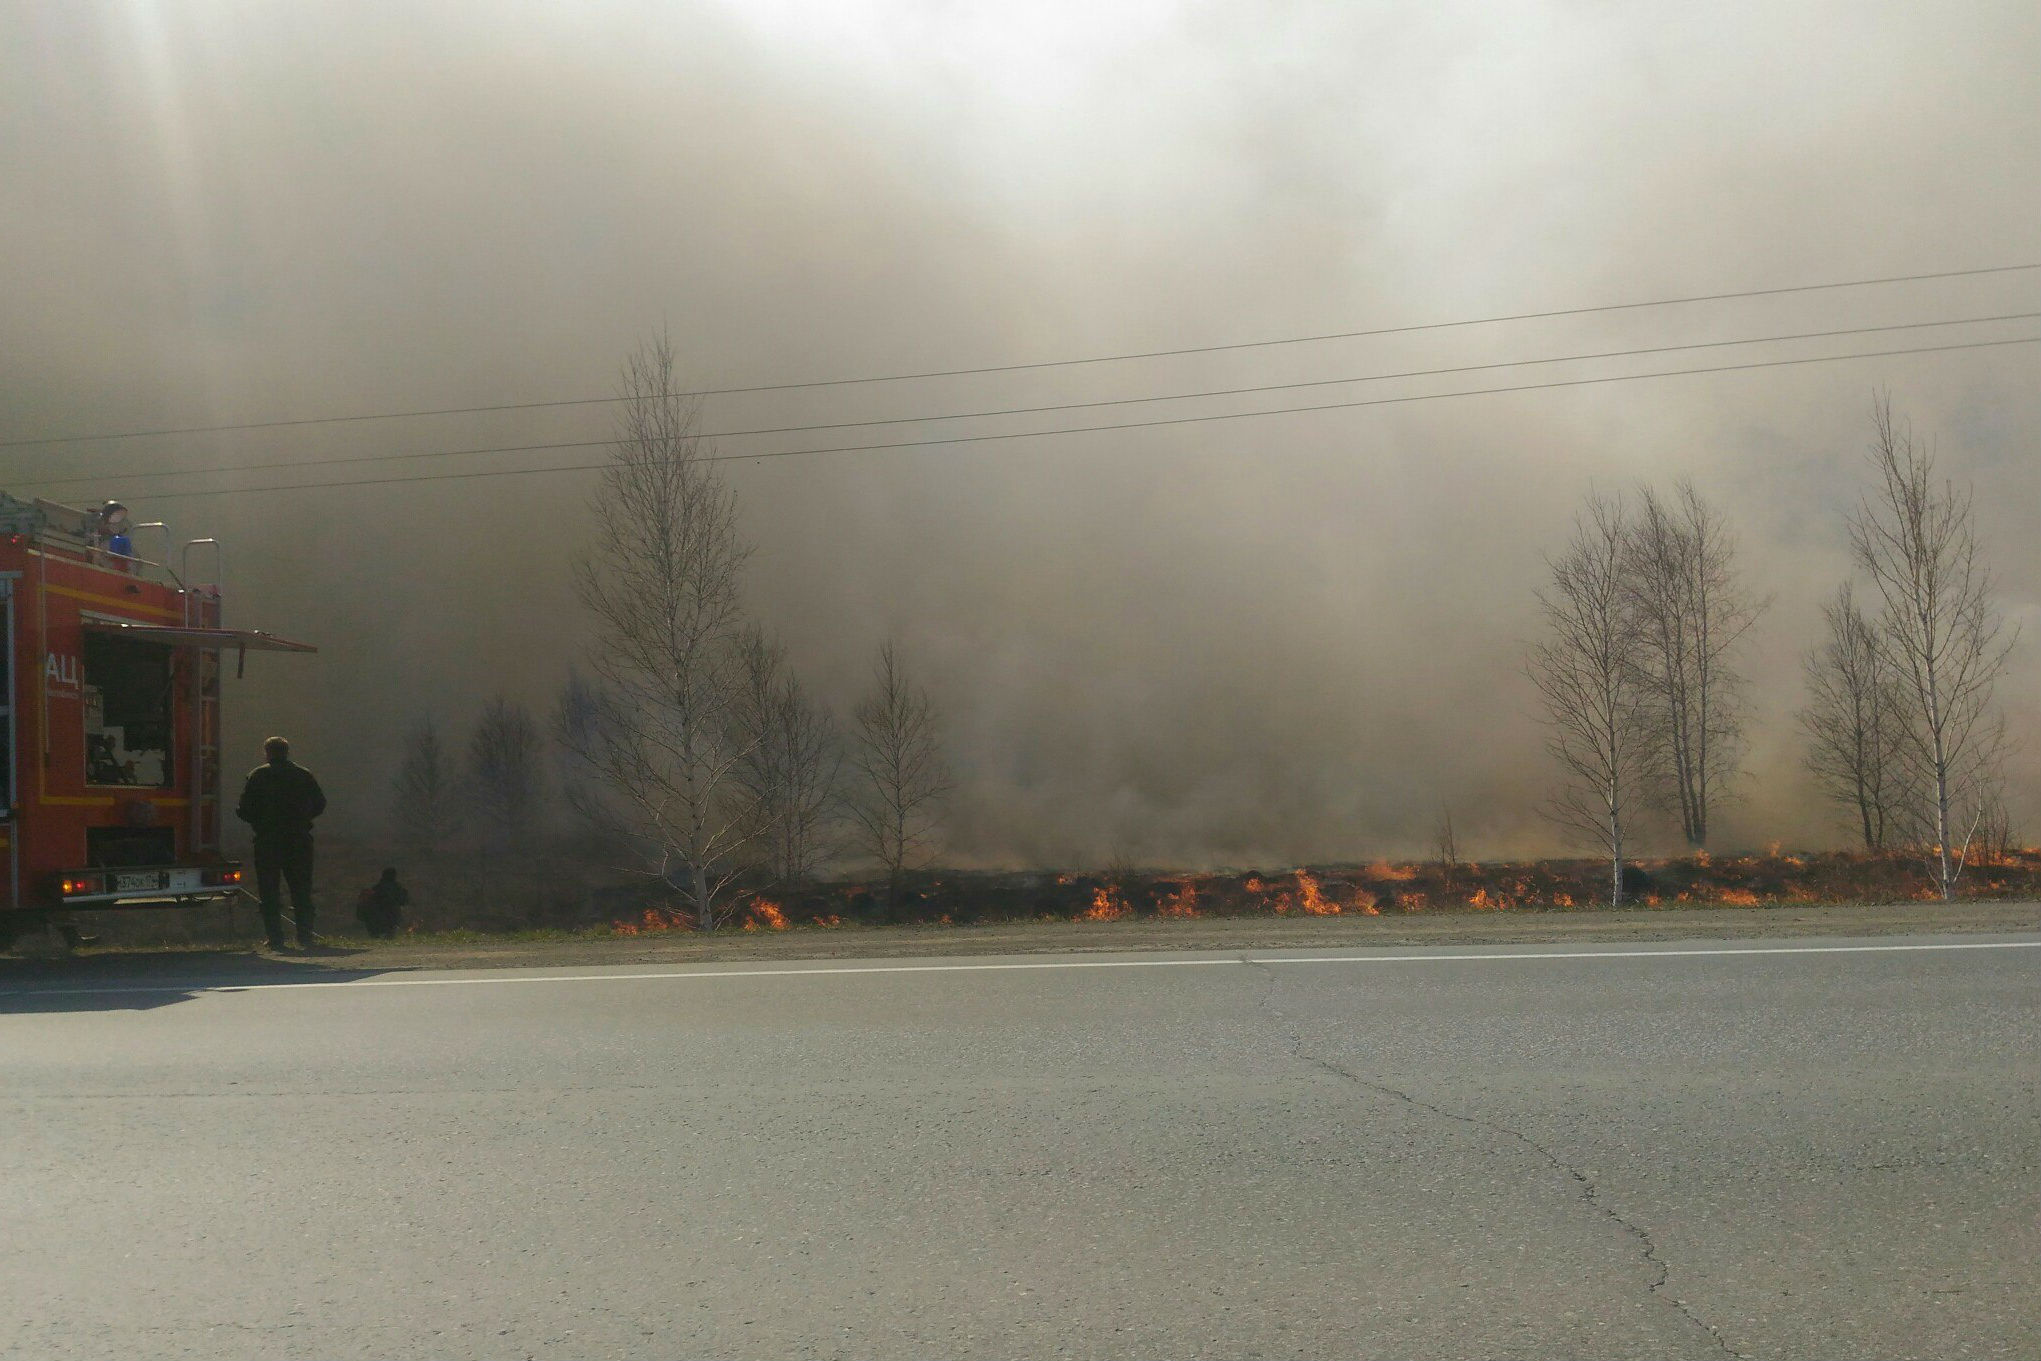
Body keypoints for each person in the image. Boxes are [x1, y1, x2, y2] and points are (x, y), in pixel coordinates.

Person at [235, 736, 327, 950]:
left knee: (269, 890)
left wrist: (259, 821)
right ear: (287, 751)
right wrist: (304, 819)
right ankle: (305, 936)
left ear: (267, 752)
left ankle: (276, 938)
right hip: (299, 839)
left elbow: (244, 809)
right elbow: (320, 803)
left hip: (268, 841)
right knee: (302, 889)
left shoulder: (258, 776)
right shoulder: (304, 775)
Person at [356, 867, 409, 939]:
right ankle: (388, 934)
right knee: (394, 917)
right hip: (390, 919)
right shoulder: (397, 888)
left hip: (377, 920)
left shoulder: (376, 888)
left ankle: (376, 935)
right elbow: (404, 902)